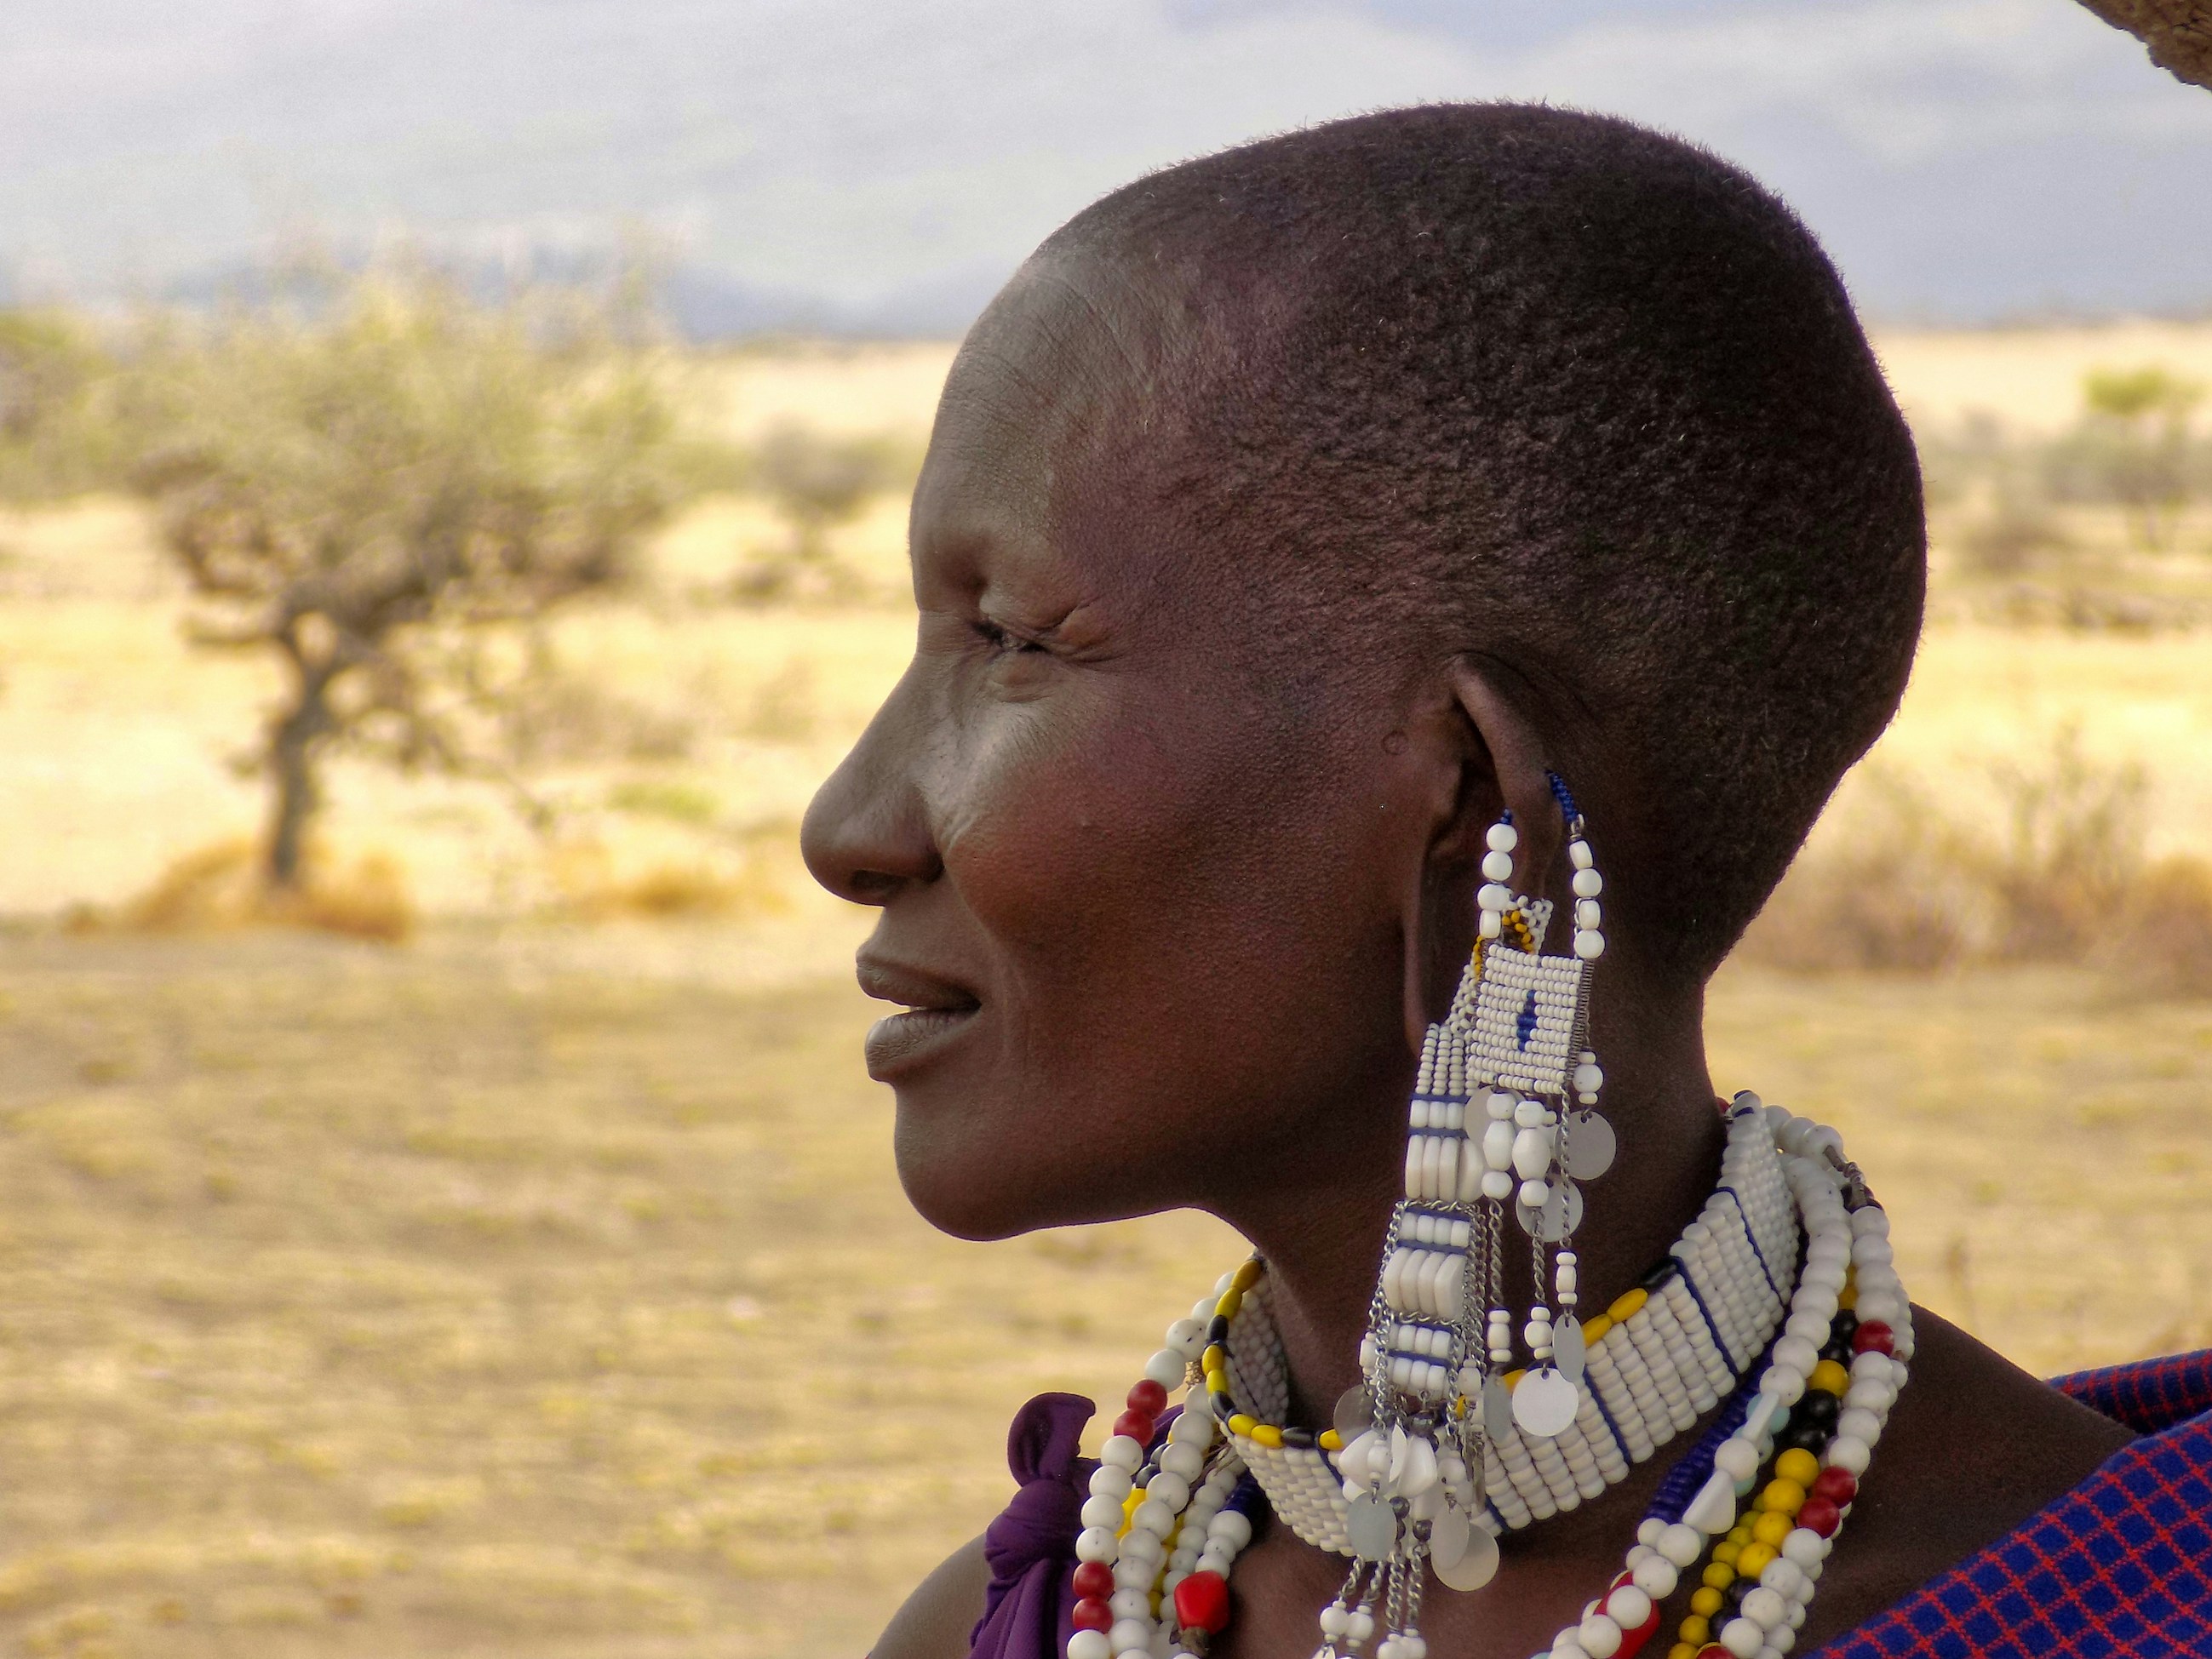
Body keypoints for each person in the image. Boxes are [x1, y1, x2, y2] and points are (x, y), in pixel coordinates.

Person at [801, 105, 2212, 1659]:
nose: (848, 824)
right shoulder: (1010, 1623)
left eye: (1005, 639)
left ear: (1475, 807)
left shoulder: (2102, 1613)